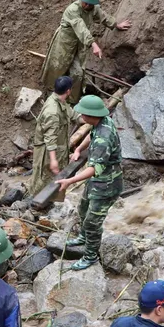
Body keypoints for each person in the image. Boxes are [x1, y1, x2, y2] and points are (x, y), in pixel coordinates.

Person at [55, 95, 123, 270]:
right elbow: (91, 136)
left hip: (107, 185)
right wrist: (78, 149)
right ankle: (84, 237)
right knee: (83, 208)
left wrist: (69, 181)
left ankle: (90, 256)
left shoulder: (105, 137)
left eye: (83, 113)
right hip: (96, 182)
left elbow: (95, 168)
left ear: (91, 115)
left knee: (93, 222)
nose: (81, 116)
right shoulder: (100, 123)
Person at [40, 0, 132, 103]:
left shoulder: (93, 9)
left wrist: (115, 24)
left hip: (80, 45)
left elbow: (103, 16)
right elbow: (81, 28)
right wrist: (93, 44)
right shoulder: (73, 10)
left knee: (78, 73)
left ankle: (71, 101)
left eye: (90, 4)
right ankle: (51, 93)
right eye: (85, 2)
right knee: (57, 67)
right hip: (65, 42)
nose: (87, 5)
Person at [30, 77, 76, 198]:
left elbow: (71, 114)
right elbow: (50, 138)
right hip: (48, 151)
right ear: (68, 91)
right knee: (45, 179)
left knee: (53, 179)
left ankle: (49, 204)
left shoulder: (58, 101)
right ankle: (39, 207)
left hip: (58, 148)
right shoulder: (53, 111)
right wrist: (53, 160)